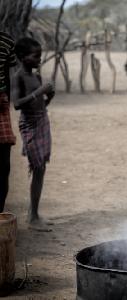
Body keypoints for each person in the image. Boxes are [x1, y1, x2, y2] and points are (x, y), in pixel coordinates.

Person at [11, 37, 54, 231]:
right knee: (37, 167)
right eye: (35, 56)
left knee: (41, 167)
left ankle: (33, 213)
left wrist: (49, 97)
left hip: (42, 120)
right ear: (21, 57)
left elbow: (41, 104)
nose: (39, 59)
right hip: (29, 124)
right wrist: (39, 92)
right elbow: (17, 104)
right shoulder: (18, 77)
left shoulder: (35, 77)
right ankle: (33, 216)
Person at [0, 31, 17, 212]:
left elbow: (6, 73)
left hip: (1, 105)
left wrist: (6, 104)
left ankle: (0, 215)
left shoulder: (6, 40)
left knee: (3, 166)